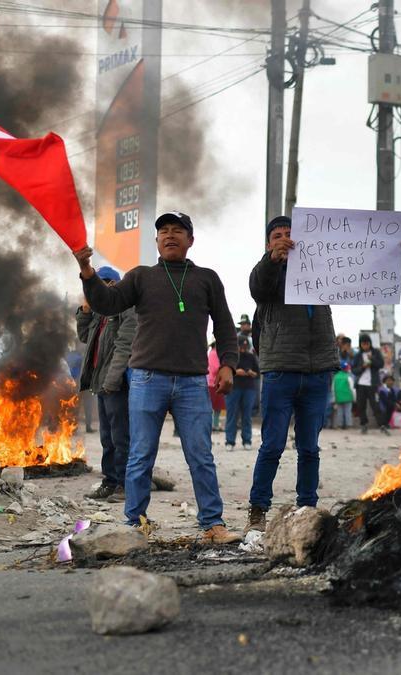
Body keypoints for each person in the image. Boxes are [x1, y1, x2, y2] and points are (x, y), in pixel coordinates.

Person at [74, 211, 242, 544]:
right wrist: (87, 271)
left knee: (200, 455)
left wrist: (228, 364)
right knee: (140, 454)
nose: (169, 235)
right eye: (163, 231)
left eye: (177, 231)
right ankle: (135, 523)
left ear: (190, 240)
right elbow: (106, 302)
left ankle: (212, 523)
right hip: (147, 378)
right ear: (156, 241)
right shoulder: (140, 277)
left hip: (193, 381)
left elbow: (224, 326)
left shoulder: (207, 278)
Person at [245, 215, 401, 532]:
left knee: (310, 448)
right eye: (277, 235)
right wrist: (271, 260)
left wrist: (392, 251)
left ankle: (307, 507)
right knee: (272, 446)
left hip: (318, 371)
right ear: (268, 244)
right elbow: (257, 286)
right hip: (281, 370)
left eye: (289, 234)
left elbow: (361, 267)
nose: (284, 239)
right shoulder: (267, 274)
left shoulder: (325, 268)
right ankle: (258, 509)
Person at [76, 265, 137, 503]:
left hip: (117, 383)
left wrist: (112, 380)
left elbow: (125, 346)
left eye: (101, 283)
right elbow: (84, 337)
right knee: (106, 437)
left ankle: (124, 484)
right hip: (100, 383)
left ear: (112, 284)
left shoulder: (126, 308)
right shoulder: (100, 313)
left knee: (121, 436)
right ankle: (110, 481)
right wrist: (85, 311)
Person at [225, 335, 260, 449]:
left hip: (249, 388)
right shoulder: (232, 357)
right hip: (233, 388)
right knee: (232, 415)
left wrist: (251, 373)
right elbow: (225, 371)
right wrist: (236, 372)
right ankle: (230, 441)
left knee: (247, 415)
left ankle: (247, 441)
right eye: (241, 346)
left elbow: (258, 373)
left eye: (245, 346)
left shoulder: (251, 357)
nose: (243, 348)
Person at [354, 334, 388, 435]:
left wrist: (372, 359)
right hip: (360, 384)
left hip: (373, 384)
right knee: (361, 406)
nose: (365, 346)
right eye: (363, 344)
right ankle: (364, 425)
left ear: (370, 343)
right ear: (360, 344)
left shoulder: (376, 352)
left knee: (375, 405)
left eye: (367, 343)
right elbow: (354, 370)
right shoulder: (358, 355)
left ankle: (382, 425)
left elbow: (381, 364)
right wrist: (363, 367)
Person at [332, 365, 355, 430]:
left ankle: (339, 425)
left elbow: (333, 388)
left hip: (338, 397)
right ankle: (348, 425)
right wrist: (354, 397)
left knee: (340, 412)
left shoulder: (335, 377)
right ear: (345, 369)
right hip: (348, 397)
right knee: (348, 411)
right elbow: (352, 388)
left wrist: (334, 398)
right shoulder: (348, 377)